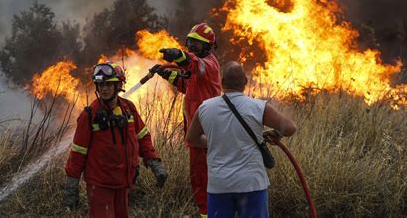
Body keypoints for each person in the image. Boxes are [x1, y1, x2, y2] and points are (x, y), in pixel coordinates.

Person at [186, 61, 297, 218]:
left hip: (219, 185)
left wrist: (215, 142)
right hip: (251, 184)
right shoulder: (258, 107)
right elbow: (290, 128)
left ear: (222, 81)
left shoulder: (205, 107)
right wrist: (276, 134)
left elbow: (192, 138)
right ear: (245, 82)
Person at [63, 61, 168, 218]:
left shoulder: (129, 109)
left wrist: (154, 162)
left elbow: (143, 138)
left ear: (119, 85)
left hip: (123, 183)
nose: (104, 88)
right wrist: (72, 185)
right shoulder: (89, 115)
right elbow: (78, 152)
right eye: (100, 84)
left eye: (108, 84)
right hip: (100, 185)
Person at [156, 23, 221, 217]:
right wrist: (168, 75)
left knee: (204, 177)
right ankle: (207, 212)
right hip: (197, 130)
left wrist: (178, 55)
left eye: (197, 44)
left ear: (208, 46)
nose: (192, 47)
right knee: (199, 176)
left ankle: (209, 213)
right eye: (190, 42)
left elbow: (194, 64)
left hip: (207, 131)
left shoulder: (209, 64)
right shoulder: (197, 66)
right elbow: (187, 85)